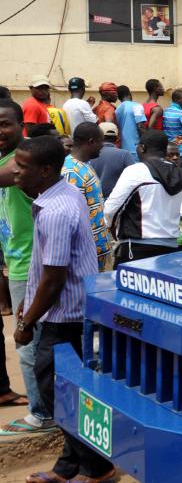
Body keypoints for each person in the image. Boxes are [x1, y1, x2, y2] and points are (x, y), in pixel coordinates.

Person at [11, 135, 116, 482]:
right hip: (66, 310)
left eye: (21, 167)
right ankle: (70, 465)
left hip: (66, 316)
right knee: (65, 393)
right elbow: (45, 270)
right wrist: (29, 299)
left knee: (57, 394)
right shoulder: (61, 193)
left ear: (44, 171)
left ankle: (98, 467)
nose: (14, 172)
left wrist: (26, 321)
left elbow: (54, 281)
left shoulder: (55, 211)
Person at [0, 99, 48, 436]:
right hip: (17, 260)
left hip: (32, 266)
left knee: (28, 344)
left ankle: (40, 415)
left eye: (4, 123)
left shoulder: (23, 162)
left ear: (22, 125)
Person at [105, 131, 182, 265]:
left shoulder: (136, 171)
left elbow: (111, 209)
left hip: (137, 248)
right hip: (172, 247)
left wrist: (112, 230)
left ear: (142, 148)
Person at [61, 122, 113, 271]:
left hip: (94, 250)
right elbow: (69, 215)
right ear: (91, 142)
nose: (102, 146)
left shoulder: (85, 165)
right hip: (82, 253)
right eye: (101, 141)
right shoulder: (71, 171)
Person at [90, 122, 134, 198]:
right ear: (117, 138)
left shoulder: (88, 154)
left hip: (93, 201)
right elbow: (134, 179)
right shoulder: (125, 154)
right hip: (118, 203)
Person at [115, 84, 146, 163]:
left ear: (119, 97)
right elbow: (141, 126)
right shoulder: (137, 106)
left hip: (122, 149)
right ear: (129, 94)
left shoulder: (117, 110)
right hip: (136, 149)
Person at [162, 89, 182, 167]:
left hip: (167, 151)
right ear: (176, 100)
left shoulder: (165, 111)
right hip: (180, 151)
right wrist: (179, 140)